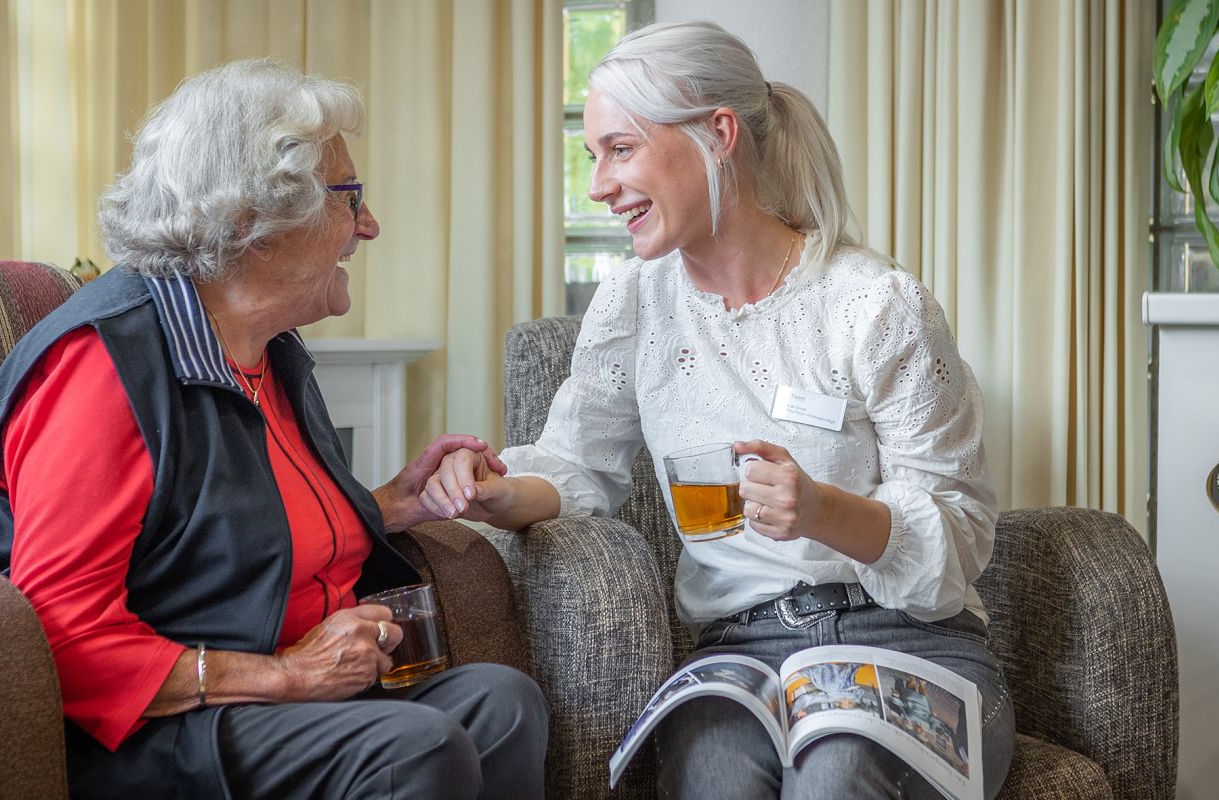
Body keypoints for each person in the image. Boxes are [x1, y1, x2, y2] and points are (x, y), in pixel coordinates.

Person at [421, 20, 1013, 799]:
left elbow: (960, 535)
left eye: (620, 149)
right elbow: (578, 461)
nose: (598, 184)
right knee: (717, 780)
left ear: (718, 134)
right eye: (594, 155)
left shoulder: (874, 304)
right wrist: (499, 492)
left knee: (837, 774)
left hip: (906, 643)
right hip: (738, 657)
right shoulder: (634, 302)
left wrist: (823, 510)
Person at [0, 59, 545, 799]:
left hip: (258, 700)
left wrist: (390, 501)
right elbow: (64, 638)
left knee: (503, 705)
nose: (369, 226)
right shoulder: (105, 367)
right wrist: (287, 676)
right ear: (253, 221)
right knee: (413, 747)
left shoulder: (265, 350)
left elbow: (230, 527)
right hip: (144, 730)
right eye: (349, 198)